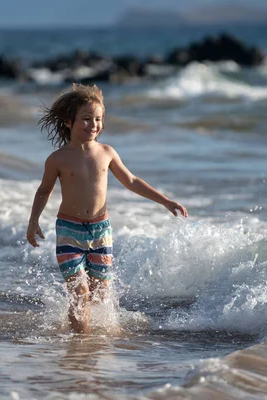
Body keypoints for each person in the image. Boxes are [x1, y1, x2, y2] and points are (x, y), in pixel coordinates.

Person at [27, 83, 187, 334]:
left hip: (101, 231)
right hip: (69, 231)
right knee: (80, 292)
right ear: (69, 122)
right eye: (87, 119)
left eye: (99, 119)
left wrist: (166, 201)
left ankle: (90, 334)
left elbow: (132, 181)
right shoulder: (58, 159)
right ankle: (80, 345)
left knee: (99, 292)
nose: (94, 125)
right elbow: (43, 191)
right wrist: (33, 221)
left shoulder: (107, 152)